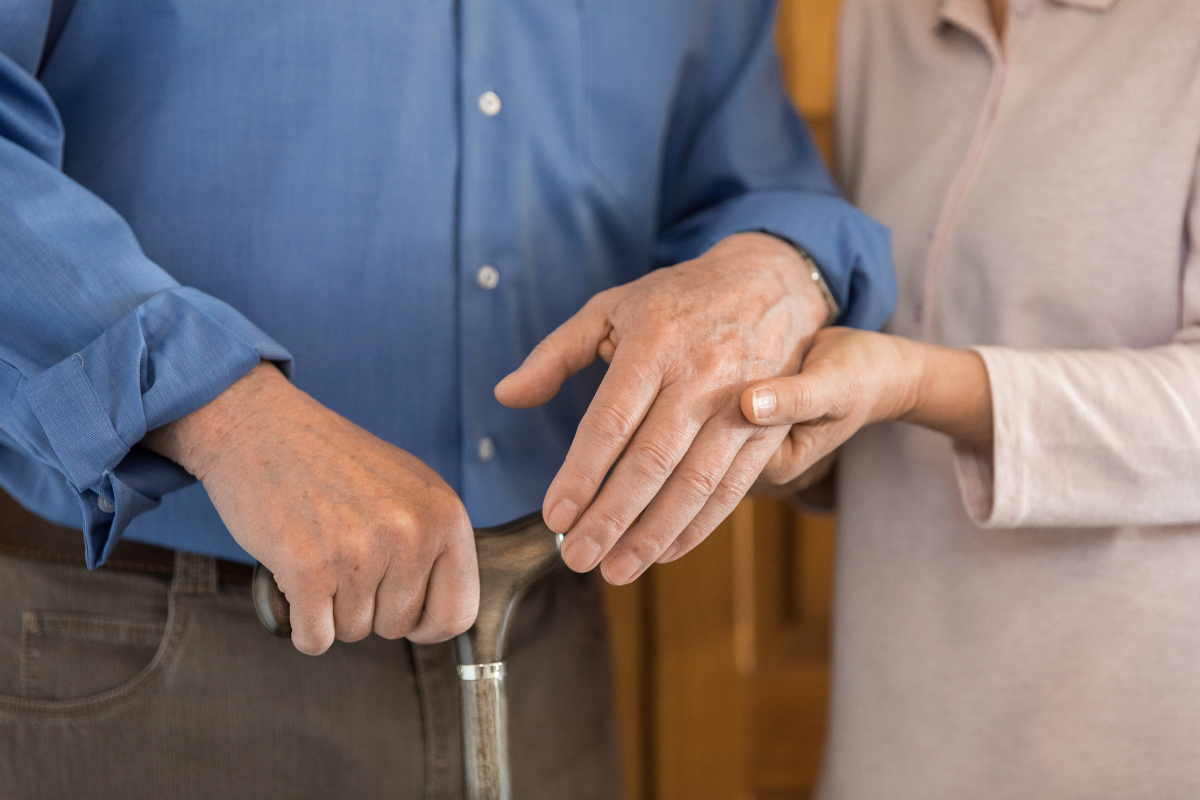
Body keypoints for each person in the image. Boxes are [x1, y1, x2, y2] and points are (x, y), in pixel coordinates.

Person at [0, 1, 895, 797]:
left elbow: (752, 175)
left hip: (551, 644)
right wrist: (223, 412)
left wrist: (780, 265)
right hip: (137, 642)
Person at [740, 0, 1200, 796]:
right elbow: (882, 323)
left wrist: (913, 382)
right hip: (892, 729)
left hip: (1126, 730)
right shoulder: (884, 17)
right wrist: (791, 433)